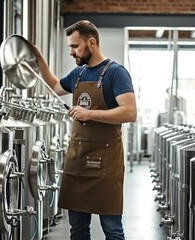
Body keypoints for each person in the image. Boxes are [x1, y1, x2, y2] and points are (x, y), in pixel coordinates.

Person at [32, 20, 137, 240]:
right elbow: (54, 86)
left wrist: (89, 114)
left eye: (75, 46)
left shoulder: (116, 73)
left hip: (106, 162)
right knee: (77, 229)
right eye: (70, 46)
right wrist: (38, 56)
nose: (71, 52)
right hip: (77, 161)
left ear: (91, 42)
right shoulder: (78, 74)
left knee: (112, 230)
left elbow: (129, 112)